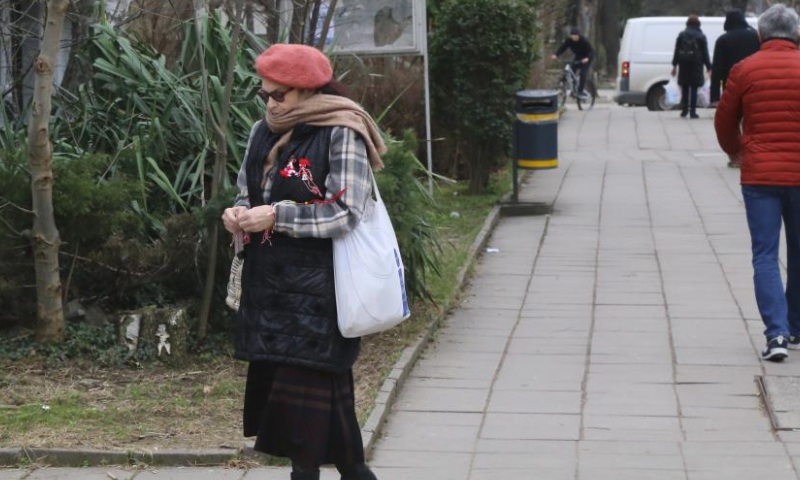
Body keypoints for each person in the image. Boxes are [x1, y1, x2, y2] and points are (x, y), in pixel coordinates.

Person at [221, 43, 384, 480]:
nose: (271, 104)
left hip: (319, 293)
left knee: (308, 419)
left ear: (308, 90)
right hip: (270, 290)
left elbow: (346, 212)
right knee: (323, 415)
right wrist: (237, 213)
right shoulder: (262, 132)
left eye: (280, 95)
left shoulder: (341, 131)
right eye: (265, 95)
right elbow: (247, 192)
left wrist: (276, 215)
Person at [714, 3, 800, 362]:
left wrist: (738, 152)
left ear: (761, 34)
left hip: (761, 175)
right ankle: (795, 325)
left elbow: (723, 120)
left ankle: (776, 335)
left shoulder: (744, 69)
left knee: (764, 255)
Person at [710, 9, 760, 105]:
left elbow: (717, 69)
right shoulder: (756, 37)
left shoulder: (722, 40)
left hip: (731, 83)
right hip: (753, 81)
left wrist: (715, 96)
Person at [671, 15, 712, 119]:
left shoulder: (682, 34)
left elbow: (676, 51)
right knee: (694, 88)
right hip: (696, 64)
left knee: (685, 86)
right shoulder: (701, 36)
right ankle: (693, 112)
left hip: (683, 63)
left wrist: (674, 65)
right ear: (698, 24)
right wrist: (709, 67)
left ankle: (684, 110)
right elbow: (705, 53)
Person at [551, 27, 595, 98]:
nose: (574, 38)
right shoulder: (569, 40)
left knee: (582, 73)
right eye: (572, 36)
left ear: (578, 36)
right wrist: (556, 55)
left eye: (575, 36)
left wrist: (587, 58)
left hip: (587, 57)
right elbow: (563, 47)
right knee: (571, 71)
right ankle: (573, 90)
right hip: (578, 57)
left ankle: (580, 91)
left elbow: (591, 51)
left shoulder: (583, 41)